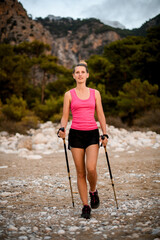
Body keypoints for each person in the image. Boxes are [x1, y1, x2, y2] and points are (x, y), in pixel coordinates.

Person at [58, 60, 108, 219]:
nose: (80, 74)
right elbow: (65, 116)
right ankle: (86, 205)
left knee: (91, 169)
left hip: (92, 133)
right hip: (76, 135)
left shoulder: (95, 93)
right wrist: (62, 128)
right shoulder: (68, 94)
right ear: (73, 76)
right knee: (80, 173)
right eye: (77, 72)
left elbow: (100, 114)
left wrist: (104, 133)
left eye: (82, 72)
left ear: (87, 75)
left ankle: (93, 191)